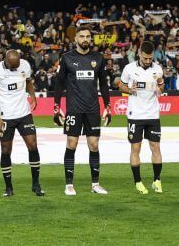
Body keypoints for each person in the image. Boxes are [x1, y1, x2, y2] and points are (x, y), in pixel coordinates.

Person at [52, 28, 111, 196]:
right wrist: (56, 107)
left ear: (91, 39)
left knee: (94, 145)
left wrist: (108, 106)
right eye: (82, 36)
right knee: (72, 144)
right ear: (76, 38)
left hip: (93, 109)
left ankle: (95, 184)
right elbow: (59, 84)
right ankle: (69, 185)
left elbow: (104, 85)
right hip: (74, 109)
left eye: (87, 36)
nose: (85, 39)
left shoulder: (98, 58)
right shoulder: (67, 58)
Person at [0, 48, 43, 197]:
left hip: (24, 113)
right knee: (6, 150)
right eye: (12, 66)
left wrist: (32, 95)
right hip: (6, 116)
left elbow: (28, 82)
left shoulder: (25, 65)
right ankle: (8, 187)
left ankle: (36, 184)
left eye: (16, 65)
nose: (15, 68)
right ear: (5, 61)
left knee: (33, 146)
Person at [117, 41, 164, 194]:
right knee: (135, 147)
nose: (148, 61)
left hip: (153, 114)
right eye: (145, 58)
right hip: (135, 115)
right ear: (139, 54)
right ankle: (138, 182)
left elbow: (161, 90)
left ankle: (157, 180)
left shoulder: (157, 69)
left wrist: (160, 83)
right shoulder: (129, 69)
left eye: (150, 58)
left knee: (155, 147)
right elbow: (121, 86)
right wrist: (130, 90)